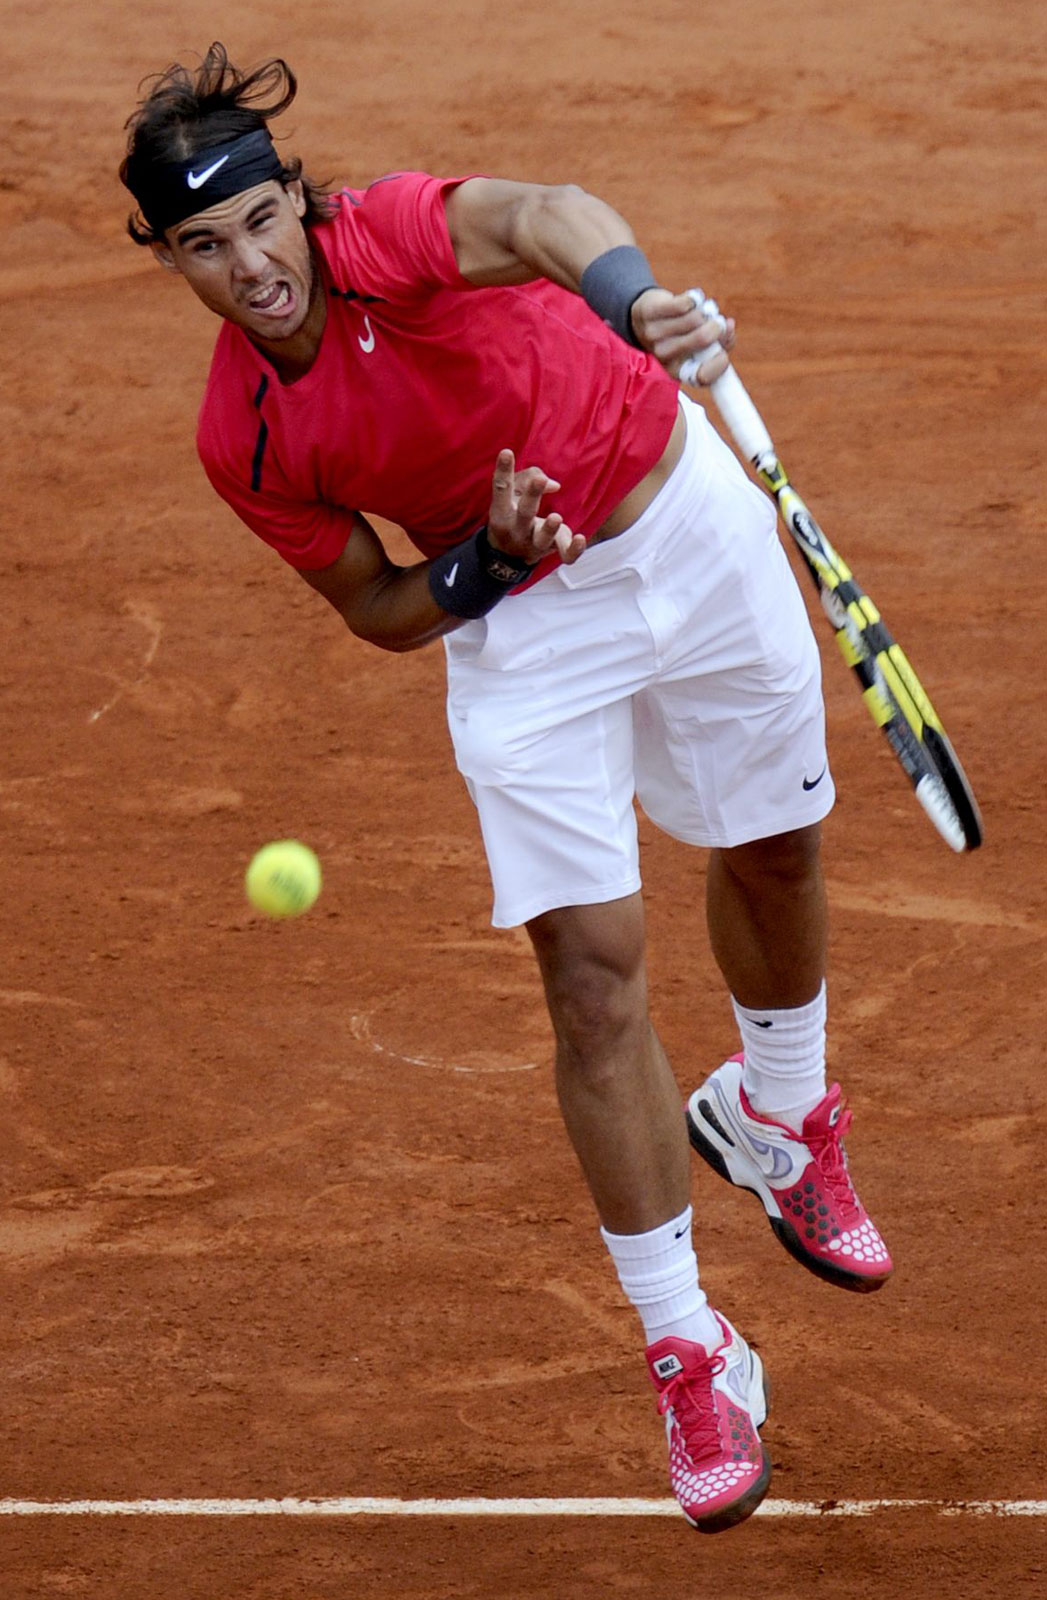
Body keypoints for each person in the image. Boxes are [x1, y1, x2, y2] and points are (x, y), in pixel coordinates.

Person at [119, 43, 892, 1534]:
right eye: (205, 249)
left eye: (261, 224)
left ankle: (783, 1117)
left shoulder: (392, 233)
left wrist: (636, 305)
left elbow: (545, 211)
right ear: (173, 262)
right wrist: (489, 557)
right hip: (527, 625)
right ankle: (689, 1348)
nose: (251, 267)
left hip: (682, 511)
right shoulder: (248, 438)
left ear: (299, 202)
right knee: (593, 983)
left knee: (778, 849)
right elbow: (382, 608)